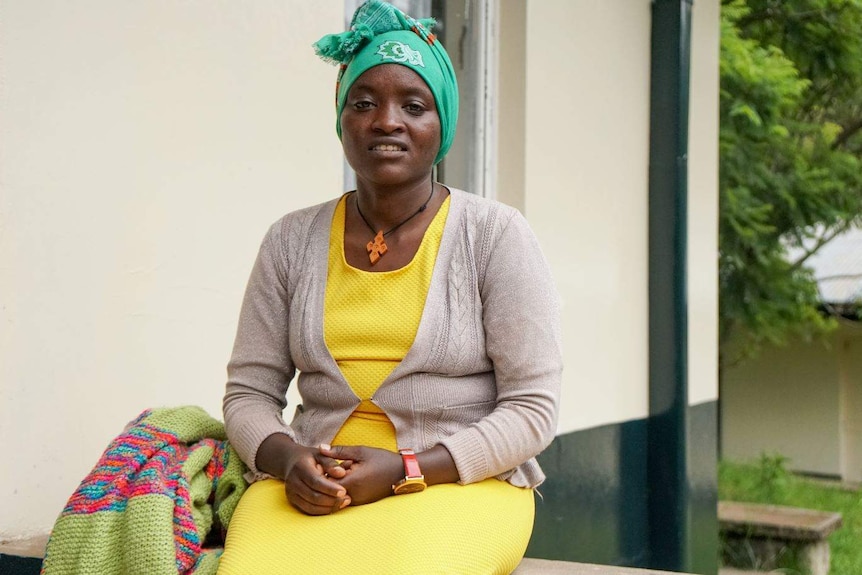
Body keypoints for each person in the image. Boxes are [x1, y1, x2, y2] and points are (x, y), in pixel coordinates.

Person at [219, 1, 562, 573]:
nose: (386, 121)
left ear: (442, 124)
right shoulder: (290, 240)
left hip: (458, 486)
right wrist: (287, 459)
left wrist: (408, 468)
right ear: (342, 119)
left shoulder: (496, 235)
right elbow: (248, 393)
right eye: (364, 103)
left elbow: (532, 409)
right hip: (315, 488)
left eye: (414, 105)